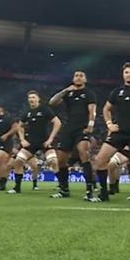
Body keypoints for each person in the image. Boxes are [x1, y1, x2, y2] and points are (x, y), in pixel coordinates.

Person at [92, 62, 130, 202]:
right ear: (123, 75)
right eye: (126, 72)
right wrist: (109, 124)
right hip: (119, 133)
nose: (129, 74)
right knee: (100, 161)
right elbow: (106, 109)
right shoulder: (116, 92)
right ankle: (104, 193)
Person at [49, 71, 98, 201]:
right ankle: (64, 190)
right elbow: (52, 102)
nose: (78, 77)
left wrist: (91, 124)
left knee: (84, 153)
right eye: (76, 75)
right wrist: (65, 90)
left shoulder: (89, 93)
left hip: (82, 128)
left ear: (85, 79)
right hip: (68, 129)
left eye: (81, 75)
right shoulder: (68, 93)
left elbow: (92, 110)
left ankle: (89, 191)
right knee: (61, 161)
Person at [9, 91, 62, 194]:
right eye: (29, 98)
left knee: (53, 162)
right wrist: (22, 139)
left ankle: (62, 186)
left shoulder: (45, 110)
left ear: (38, 99)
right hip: (31, 143)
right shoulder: (27, 112)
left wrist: (51, 139)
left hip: (44, 142)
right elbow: (19, 126)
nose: (31, 99)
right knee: (18, 161)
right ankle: (17, 187)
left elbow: (57, 122)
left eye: (33, 97)